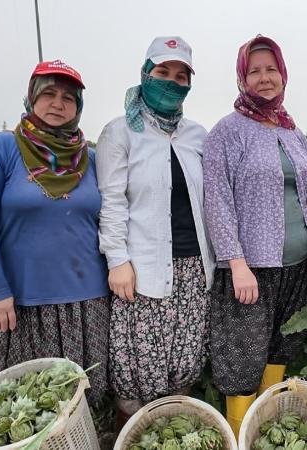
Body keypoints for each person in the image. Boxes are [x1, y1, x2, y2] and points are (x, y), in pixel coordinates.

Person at [0, 60, 109, 404]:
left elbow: (112, 219)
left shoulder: (91, 159)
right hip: (23, 304)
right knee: (26, 404)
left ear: (78, 107)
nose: (58, 104)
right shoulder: (2, 149)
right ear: (31, 98)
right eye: (48, 94)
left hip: (88, 303)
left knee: (86, 400)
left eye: (68, 98)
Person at [202, 34, 307, 435]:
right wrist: (237, 263)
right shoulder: (227, 132)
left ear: (283, 74)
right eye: (254, 71)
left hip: (297, 265)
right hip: (250, 269)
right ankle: (240, 432)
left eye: (271, 69)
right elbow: (217, 200)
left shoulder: (292, 131)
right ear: (242, 79)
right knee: (242, 357)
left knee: (281, 347)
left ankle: (265, 428)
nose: (264, 78)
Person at [95, 36, 214, 426]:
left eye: (181, 76)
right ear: (145, 74)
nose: (172, 82)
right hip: (142, 270)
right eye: (163, 72)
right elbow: (112, 201)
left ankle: (175, 429)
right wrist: (117, 260)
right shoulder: (120, 132)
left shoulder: (197, 135)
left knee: (184, 359)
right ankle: (133, 431)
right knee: (137, 367)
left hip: (194, 270)